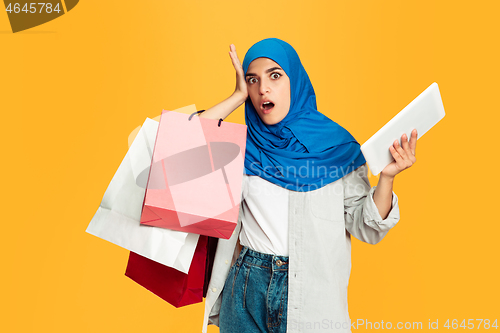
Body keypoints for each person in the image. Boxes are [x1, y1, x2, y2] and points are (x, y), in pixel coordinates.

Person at [199, 38, 417, 333]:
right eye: (253, 80)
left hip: (312, 294)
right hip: (245, 288)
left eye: (275, 76)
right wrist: (237, 96)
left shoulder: (337, 147)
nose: (263, 88)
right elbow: (177, 149)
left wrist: (387, 178)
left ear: (295, 81)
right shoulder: (241, 145)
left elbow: (366, 227)